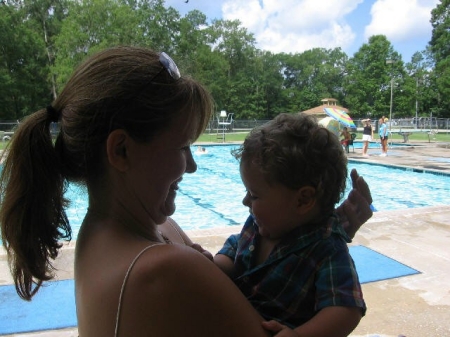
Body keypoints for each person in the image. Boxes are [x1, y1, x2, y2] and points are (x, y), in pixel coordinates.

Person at [0, 46, 372, 337]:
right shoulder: (164, 269)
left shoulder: (110, 234)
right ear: (121, 150)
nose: (191, 165)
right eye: (181, 147)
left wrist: (317, 232)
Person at [214, 113, 366, 337]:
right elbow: (236, 250)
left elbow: (345, 309)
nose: (245, 201)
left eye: (254, 195)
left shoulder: (325, 248)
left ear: (303, 200)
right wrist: (211, 266)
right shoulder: (259, 224)